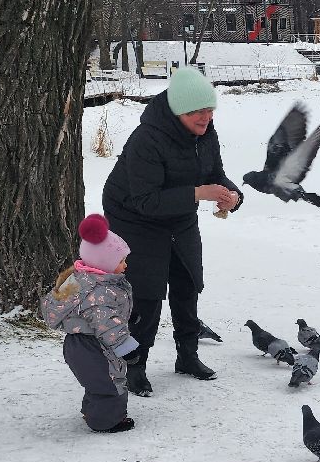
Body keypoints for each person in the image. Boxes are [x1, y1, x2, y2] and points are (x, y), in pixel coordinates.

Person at [101, 66, 243, 395]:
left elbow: (215, 174)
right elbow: (146, 201)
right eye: (197, 112)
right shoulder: (146, 139)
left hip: (179, 215)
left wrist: (231, 196)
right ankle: (134, 366)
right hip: (134, 218)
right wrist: (198, 193)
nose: (205, 118)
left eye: (209, 110)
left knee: (186, 282)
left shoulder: (206, 133)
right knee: (146, 295)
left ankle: (188, 356)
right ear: (178, 110)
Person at [41, 214, 140, 434]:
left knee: (97, 381)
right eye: (121, 261)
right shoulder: (99, 291)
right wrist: (127, 348)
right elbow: (107, 324)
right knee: (110, 382)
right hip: (93, 346)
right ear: (104, 263)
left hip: (80, 344)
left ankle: (92, 412)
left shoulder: (83, 280)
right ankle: (106, 421)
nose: (125, 264)